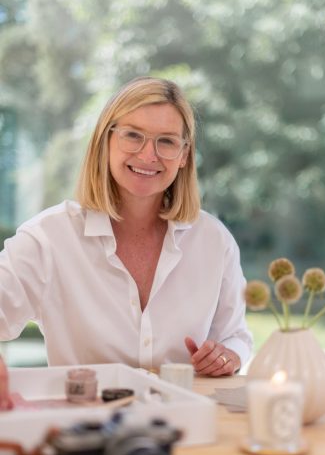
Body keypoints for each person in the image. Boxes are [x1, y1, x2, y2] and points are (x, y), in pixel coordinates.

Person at [0, 76, 253, 408]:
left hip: (188, 425)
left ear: (183, 155)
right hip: (85, 429)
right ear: (105, 141)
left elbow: (235, 336)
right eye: (133, 135)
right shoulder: (48, 238)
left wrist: (228, 356)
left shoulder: (213, 240)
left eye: (166, 141)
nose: (149, 154)